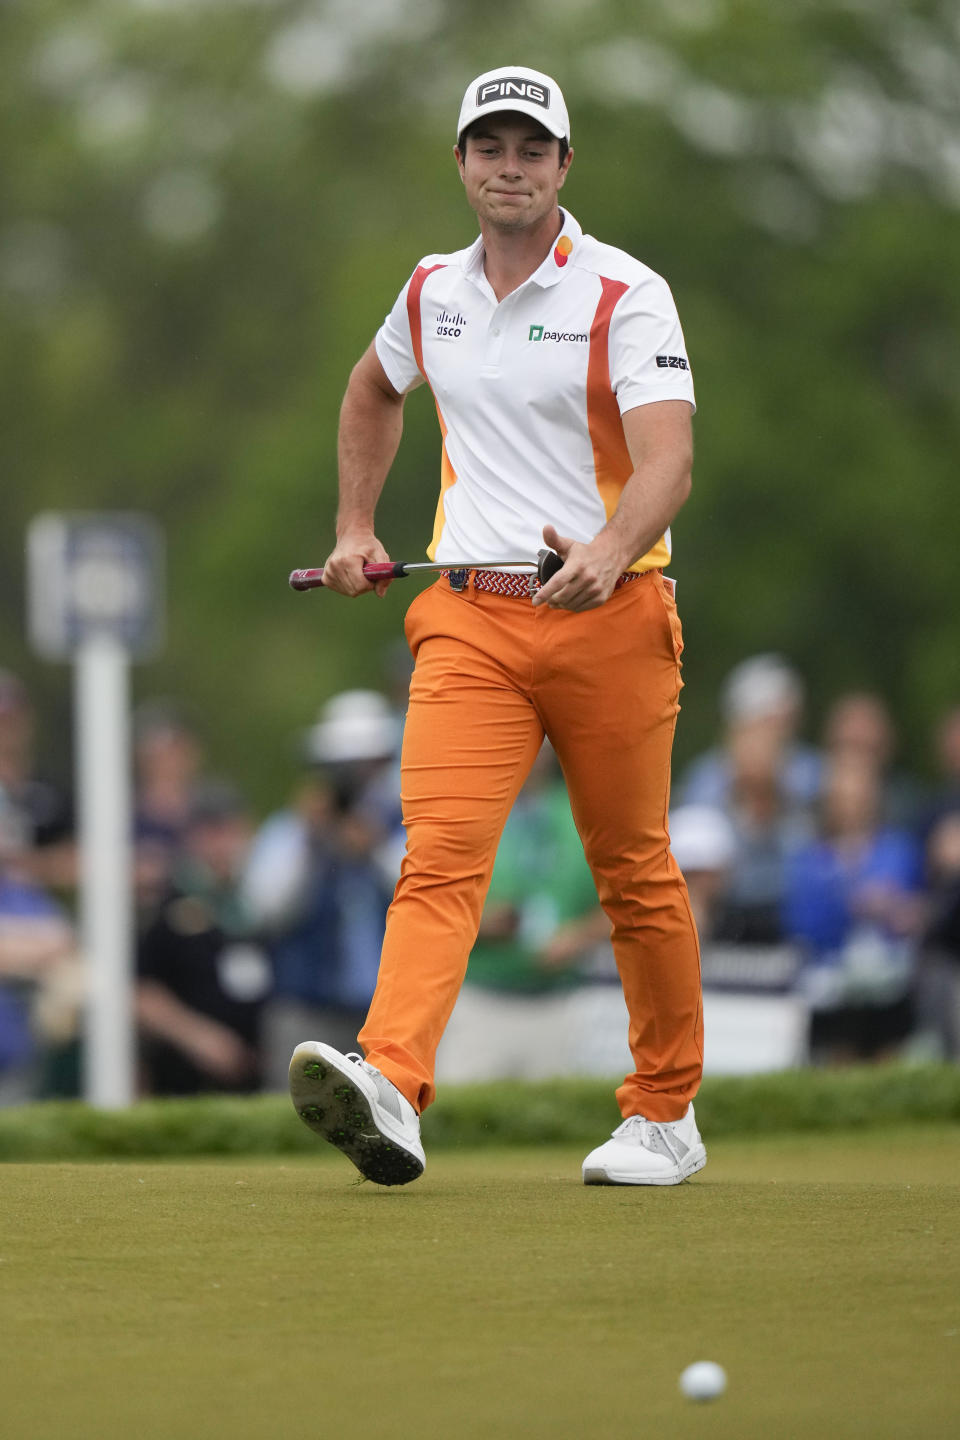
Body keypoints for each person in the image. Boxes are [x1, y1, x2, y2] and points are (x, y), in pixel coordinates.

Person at [289, 64, 704, 1188]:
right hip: (471, 621)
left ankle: (665, 1114)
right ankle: (392, 1081)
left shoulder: (626, 293)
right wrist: (353, 526)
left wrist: (610, 551)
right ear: (463, 164)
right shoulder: (431, 291)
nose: (509, 167)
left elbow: (668, 460)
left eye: (532, 149)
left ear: (565, 166)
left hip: (613, 614)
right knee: (440, 857)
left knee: (632, 869)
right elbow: (374, 389)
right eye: (490, 148)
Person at [242, 691, 401, 1088]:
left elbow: (423, 891)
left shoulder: (402, 824)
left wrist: (373, 847)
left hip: (390, 1011)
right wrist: (309, 841)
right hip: (306, 1006)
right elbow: (264, 909)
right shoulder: (290, 830)